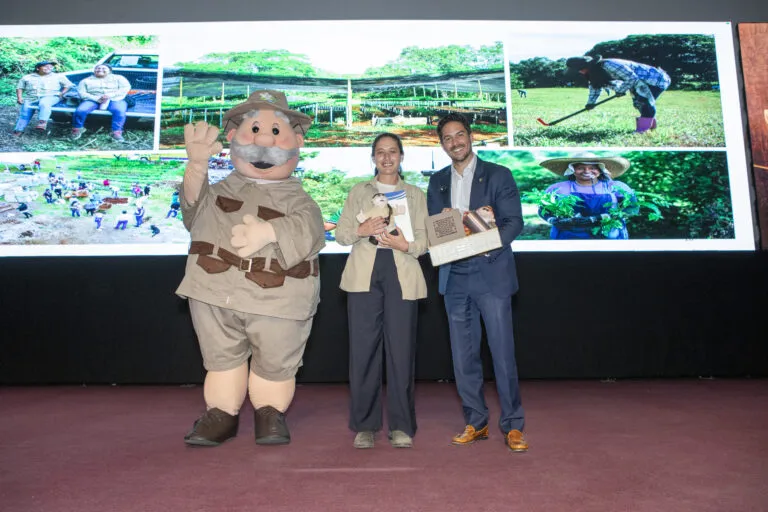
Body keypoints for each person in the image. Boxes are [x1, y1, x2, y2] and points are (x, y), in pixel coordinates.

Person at [176, 90, 325, 447]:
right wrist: (196, 167)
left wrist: (271, 231)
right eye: (255, 129)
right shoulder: (218, 191)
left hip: (277, 300)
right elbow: (192, 210)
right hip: (216, 293)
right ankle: (221, 415)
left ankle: (269, 412)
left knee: (275, 360)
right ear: (232, 136)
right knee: (222, 358)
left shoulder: (301, 200)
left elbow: (311, 229)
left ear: (296, 141)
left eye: (275, 132)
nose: (262, 140)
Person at [426, 113, 528, 453]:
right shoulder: (437, 181)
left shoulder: (499, 174)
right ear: (441, 144)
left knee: (502, 354)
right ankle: (476, 421)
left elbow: (514, 223)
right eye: (447, 138)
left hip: (491, 273)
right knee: (463, 357)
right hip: (453, 276)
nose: (455, 142)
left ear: (471, 137)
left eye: (460, 135)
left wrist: (484, 245)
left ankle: (513, 425)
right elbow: (437, 228)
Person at [335, 133, 428, 449]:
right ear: (372, 158)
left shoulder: (416, 194)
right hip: (364, 275)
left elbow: (426, 241)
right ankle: (365, 425)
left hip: (402, 272)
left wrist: (407, 245)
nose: (386, 158)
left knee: (401, 351)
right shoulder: (359, 192)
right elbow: (342, 234)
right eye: (380, 152)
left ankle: (402, 426)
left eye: (392, 152)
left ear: (402, 156)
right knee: (363, 351)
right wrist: (360, 230)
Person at [538, 152, 638, 240]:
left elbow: (631, 209)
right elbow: (543, 209)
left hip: (608, 234)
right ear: (572, 170)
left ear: (600, 170)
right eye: (580, 168)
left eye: (592, 168)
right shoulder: (558, 188)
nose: (586, 171)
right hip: (569, 235)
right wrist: (553, 220)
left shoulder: (616, 186)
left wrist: (600, 218)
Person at [566, 55, 671, 133]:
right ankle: (651, 128)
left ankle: (642, 130)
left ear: (585, 67)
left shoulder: (609, 65)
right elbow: (595, 87)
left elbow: (632, 77)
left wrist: (621, 90)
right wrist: (591, 103)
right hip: (638, 83)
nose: (580, 72)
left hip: (654, 80)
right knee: (639, 104)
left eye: (579, 70)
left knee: (644, 103)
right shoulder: (593, 73)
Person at [71, 64, 131, 142]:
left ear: (110, 70)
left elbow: (125, 88)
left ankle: (116, 132)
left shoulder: (119, 78)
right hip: (93, 99)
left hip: (115, 98)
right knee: (80, 110)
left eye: (103, 68)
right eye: (97, 68)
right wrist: (96, 98)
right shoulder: (86, 80)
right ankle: (77, 129)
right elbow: (81, 93)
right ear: (94, 70)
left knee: (119, 111)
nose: (100, 70)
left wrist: (110, 95)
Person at [13, 61, 73, 135]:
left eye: (50, 66)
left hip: (51, 96)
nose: (49, 68)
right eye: (45, 66)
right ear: (38, 68)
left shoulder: (58, 76)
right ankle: (18, 131)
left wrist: (62, 93)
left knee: (44, 103)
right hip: (31, 97)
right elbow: (20, 87)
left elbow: (68, 85)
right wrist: (19, 97)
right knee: (25, 113)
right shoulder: (27, 77)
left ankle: (42, 122)